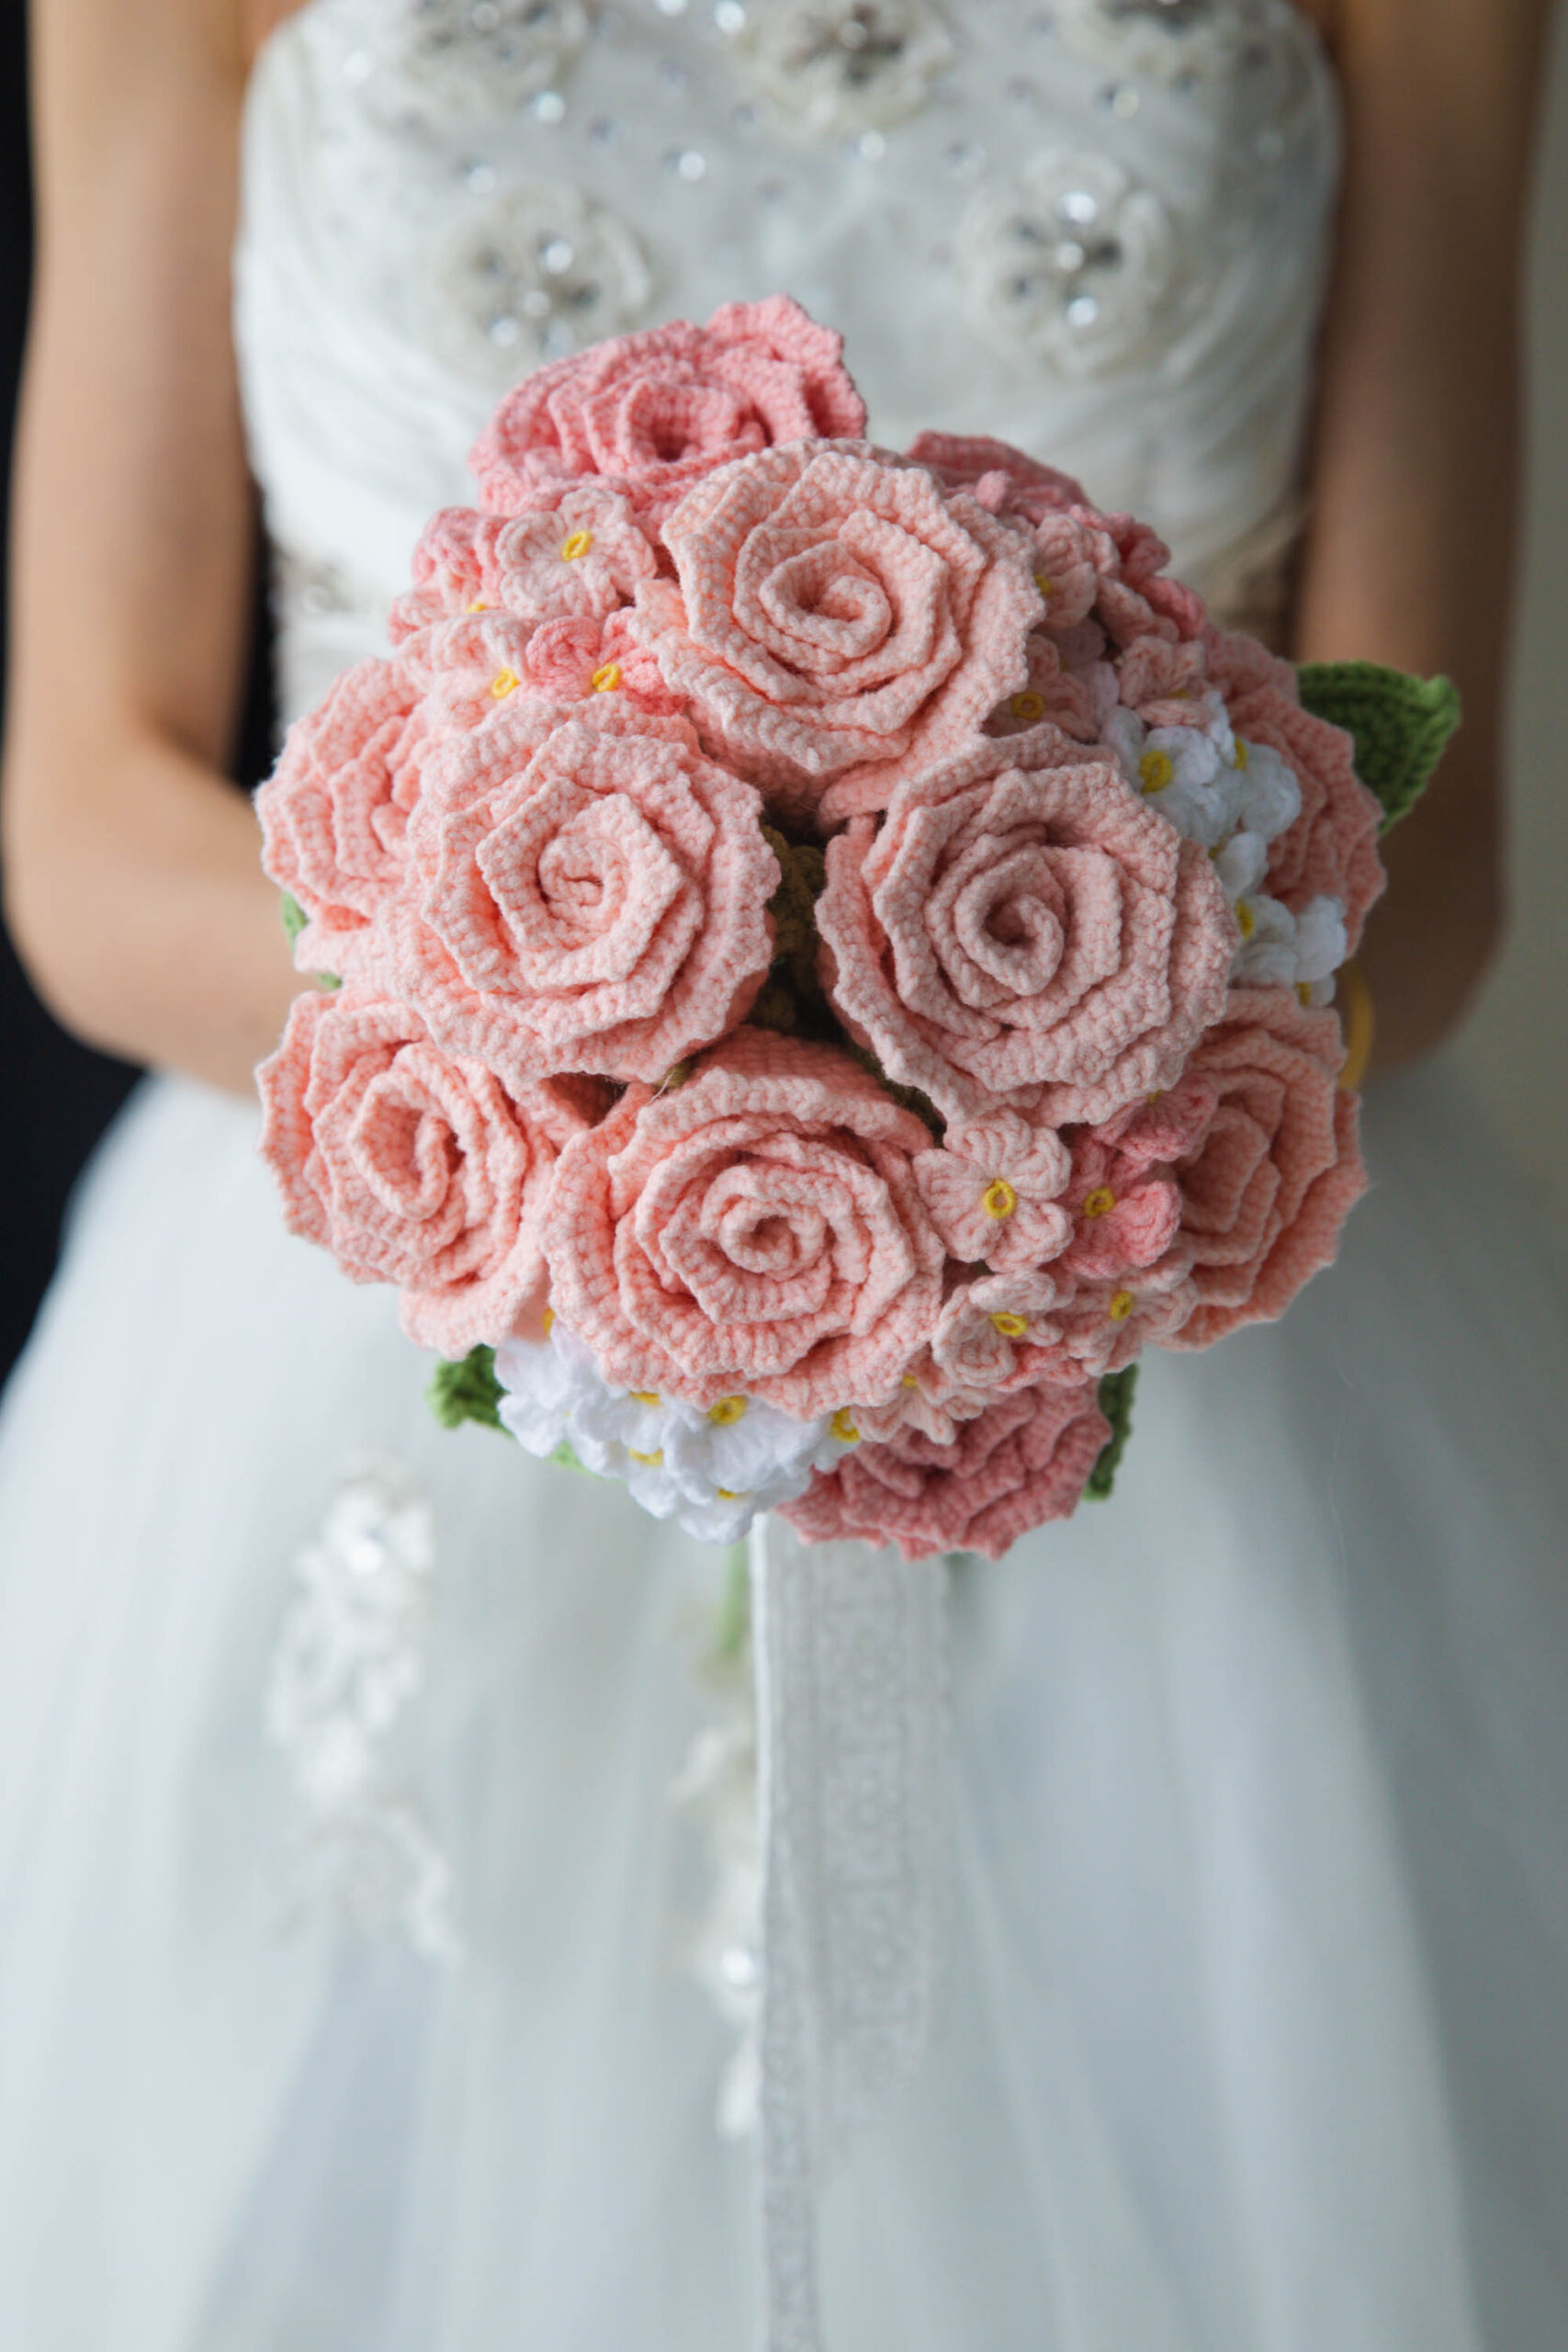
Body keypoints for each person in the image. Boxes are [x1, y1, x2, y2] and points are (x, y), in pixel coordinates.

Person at [1, 2, 1564, 2346]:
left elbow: (1421, 874)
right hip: (374, 1284)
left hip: (1174, 1342)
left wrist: (1011, 1150)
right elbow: (87, 815)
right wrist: (583, 1079)